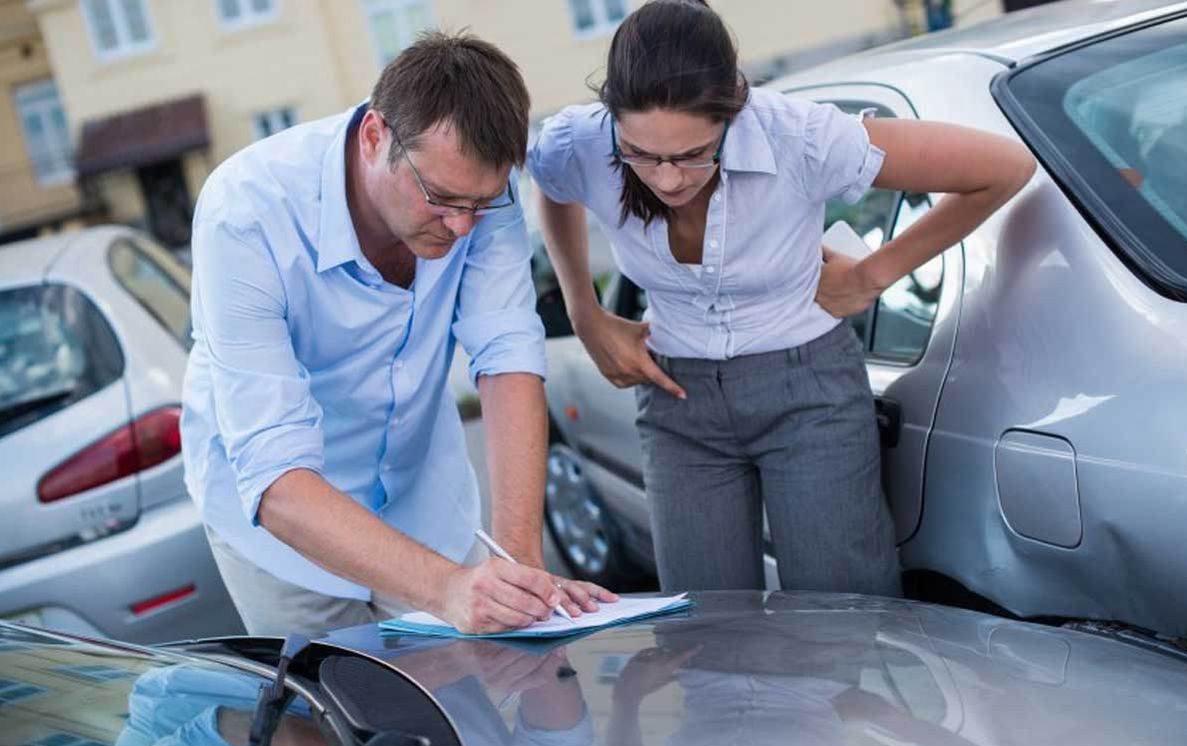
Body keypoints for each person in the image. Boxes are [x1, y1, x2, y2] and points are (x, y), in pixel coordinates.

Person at [526, 0, 1035, 594]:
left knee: (844, 620)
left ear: (732, 113)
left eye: (692, 155)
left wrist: (874, 274)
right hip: (677, 404)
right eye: (641, 155)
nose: (666, 179)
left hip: (809, 396)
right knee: (709, 633)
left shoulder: (800, 137)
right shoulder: (580, 142)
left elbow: (1003, 167)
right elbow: (553, 185)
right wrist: (585, 313)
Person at [181, 32, 616, 638]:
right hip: (284, 534)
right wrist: (450, 590)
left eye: (481, 204)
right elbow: (275, 476)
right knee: (327, 719)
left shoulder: (477, 195)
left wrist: (518, 565)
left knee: (463, 701)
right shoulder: (245, 212)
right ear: (374, 137)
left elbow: (509, 356)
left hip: (424, 499)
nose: (462, 226)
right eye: (440, 199)